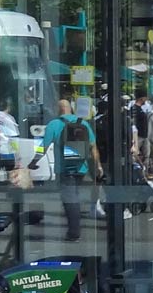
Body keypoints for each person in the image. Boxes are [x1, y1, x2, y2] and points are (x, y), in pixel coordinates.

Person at [31, 99, 103, 242]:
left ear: (58, 109)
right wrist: (98, 165)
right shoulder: (83, 123)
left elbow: (43, 146)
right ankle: (73, 229)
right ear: (70, 109)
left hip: (64, 169)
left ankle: (74, 233)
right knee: (73, 195)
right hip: (81, 168)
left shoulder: (54, 124)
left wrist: (33, 162)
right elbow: (93, 147)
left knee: (70, 200)